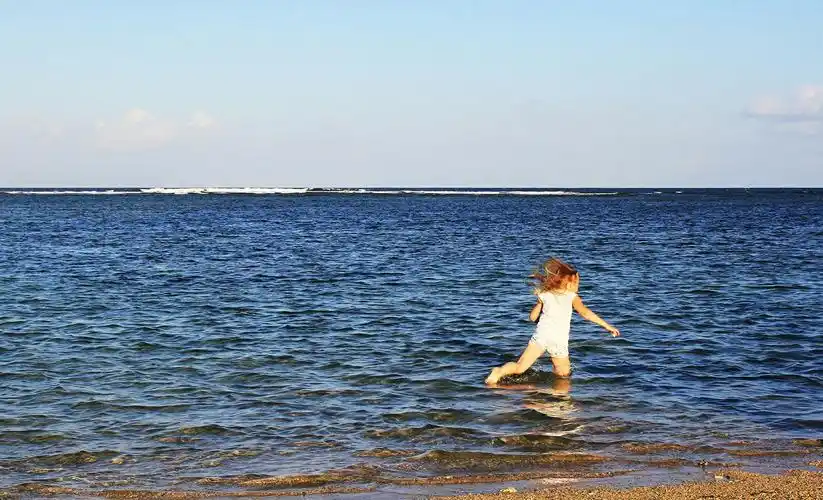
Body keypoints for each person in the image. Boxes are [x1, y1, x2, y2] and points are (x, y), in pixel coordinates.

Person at [485, 258, 620, 385]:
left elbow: (532, 318)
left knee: (520, 367)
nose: (578, 285)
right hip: (558, 340)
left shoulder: (544, 295)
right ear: (567, 283)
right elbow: (585, 313)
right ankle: (559, 401)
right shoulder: (572, 297)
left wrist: (538, 303)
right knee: (563, 373)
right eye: (576, 282)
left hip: (541, 336)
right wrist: (607, 326)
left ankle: (499, 372)